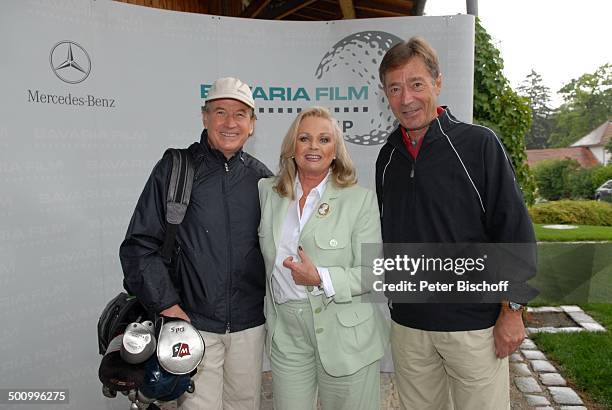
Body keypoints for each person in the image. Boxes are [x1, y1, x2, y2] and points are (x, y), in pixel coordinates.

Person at [375, 37, 536, 409]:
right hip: (410, 326)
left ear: (438, 83)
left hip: (473, 326)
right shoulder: (387, 158)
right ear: (385, 94)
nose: (406, 99)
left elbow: (513, 231)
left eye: (416, 84)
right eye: (394, 88)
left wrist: (512, 311)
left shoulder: (479, 145)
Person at [120, 77, 272, 410]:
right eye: (220, 112)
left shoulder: (264, 181)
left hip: (249, 329)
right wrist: (169, 307)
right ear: (204, 117)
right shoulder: (176, 169)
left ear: (252, 125)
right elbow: (138, 247)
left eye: (240, 114)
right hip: (193, 326)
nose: (230, 123)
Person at [258, 107, 388, 410]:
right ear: (292, 147)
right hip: (287, 334)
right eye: (304, 138)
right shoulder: (268, 192)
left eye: (324, 139)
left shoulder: (360, 200)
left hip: (346, 336)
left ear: (335, 151)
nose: (313, 146)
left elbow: (373, 273)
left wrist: (321, 278)